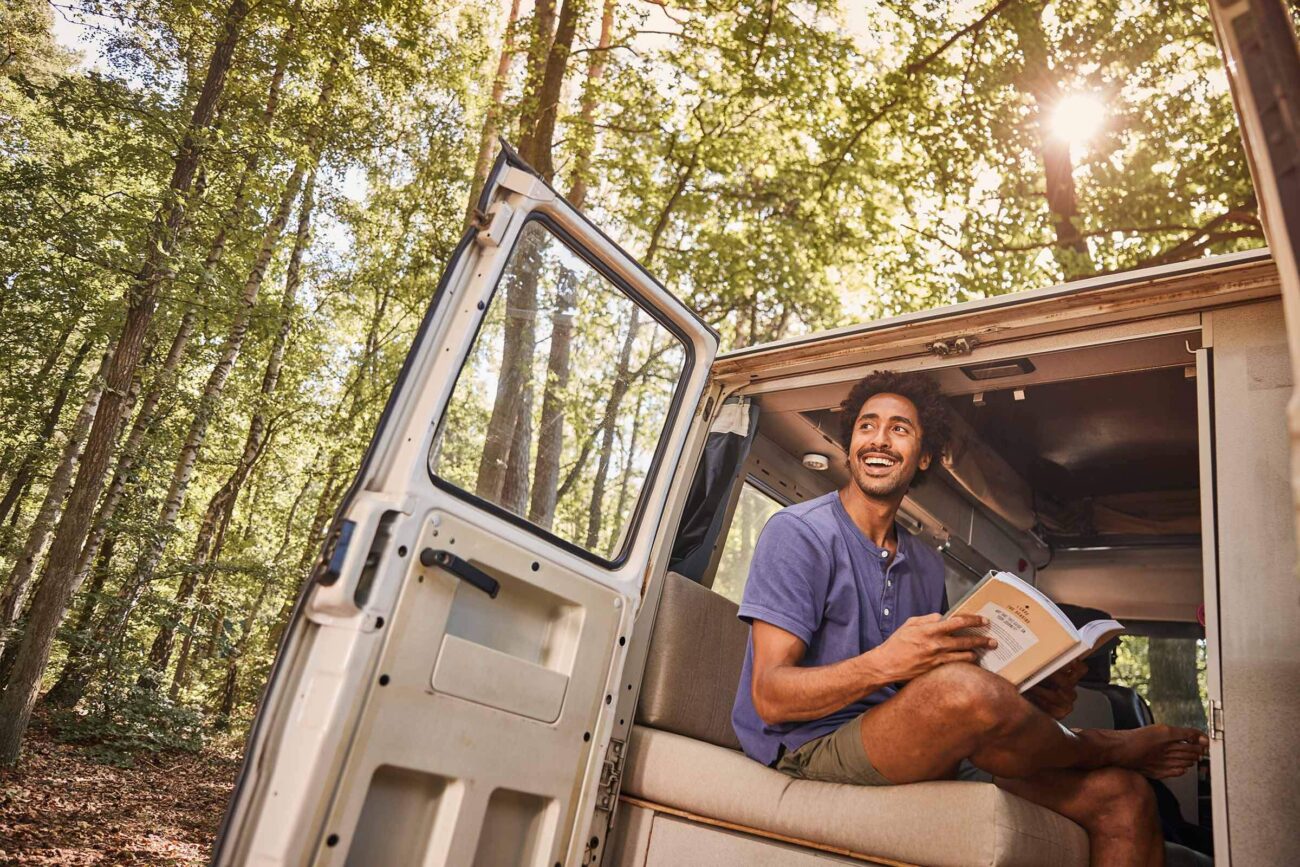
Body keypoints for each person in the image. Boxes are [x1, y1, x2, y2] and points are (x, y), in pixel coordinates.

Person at [731, 370, 1207, 867]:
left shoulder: (924, 562)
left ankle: (1093, 750)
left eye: (899, 429)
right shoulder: (799, 534)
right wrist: (886, 663)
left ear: (924, 456)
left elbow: (936, 685)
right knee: (961, 689)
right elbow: (770, 697)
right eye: (867, 426)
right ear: (850, 444)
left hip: (911, 738)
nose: (878, 439)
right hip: (808, 744)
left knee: (1125, 797)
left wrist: (1031, 690)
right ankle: (1102, 745)